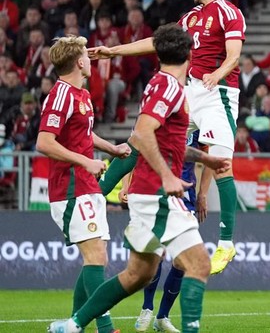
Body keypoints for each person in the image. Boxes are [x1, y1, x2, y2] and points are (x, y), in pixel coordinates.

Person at [48, 25, 230, 333]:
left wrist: (203, 158)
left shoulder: (167, 85)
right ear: (190, 54)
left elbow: (165, 143)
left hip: (150, 192)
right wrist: (167, 176)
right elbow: (142, 133)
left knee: (138, 274)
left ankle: (73, 324)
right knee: (198, 264)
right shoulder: (169, 87)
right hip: (158, 193)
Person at [89, 0, 245, 275]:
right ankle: (96, 194)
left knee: (222, 163)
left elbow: (234, 54)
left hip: (218, 95)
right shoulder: (190, 17)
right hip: (188, 90)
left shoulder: (230, 12)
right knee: (142, 135)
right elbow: (158, 42)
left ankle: (226, 243)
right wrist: (114, 51)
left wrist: (217, 74)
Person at [36, 35, 132, 333]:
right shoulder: (61, 94)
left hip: (85, 184)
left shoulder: (81, 95)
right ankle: (104, 328)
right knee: (96, 256)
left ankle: (71, 324)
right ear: (79, 62)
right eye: (86, 56)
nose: (90, 60)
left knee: (95, 257)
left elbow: (84, 136)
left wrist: (112, 150)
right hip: (69, 187)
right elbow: (43, 142)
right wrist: (84, 161)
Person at [132, 130, 212, 333]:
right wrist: (126, 185)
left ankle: (162, 316)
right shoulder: (157, 118)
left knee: (182, 261)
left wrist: (203, 194)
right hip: (157, 192)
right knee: (156, 253)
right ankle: (147, 307)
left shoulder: (199, 124)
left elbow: (208, 158)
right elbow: (134, 150)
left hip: (186, 197)